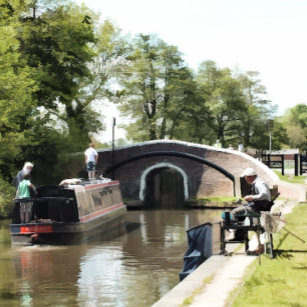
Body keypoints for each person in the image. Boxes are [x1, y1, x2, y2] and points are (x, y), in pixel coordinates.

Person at [226, 167, 272, 242]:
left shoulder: (259, 183)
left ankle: (233, 233)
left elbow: (265, 195)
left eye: (246, 177)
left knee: (235, 212)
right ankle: (240, 235)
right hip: (261, 206)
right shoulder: (259, 182)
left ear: (250, 177)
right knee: (243, 208)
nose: (246, 179)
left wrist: (252, 197)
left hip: (258, 209)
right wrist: (250, 200)